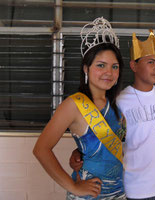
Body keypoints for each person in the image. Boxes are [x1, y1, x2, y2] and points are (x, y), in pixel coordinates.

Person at [70, 30, 155, 200]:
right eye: (151, 62)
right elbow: (101, 135)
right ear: (134, 66)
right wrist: (78, 151)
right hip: (129, 185)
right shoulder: (120, 100)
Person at [33, 17, 127, 200]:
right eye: (101, 65)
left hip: (120, 191)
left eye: (114, 67)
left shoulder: (116, 103)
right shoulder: (74, 105)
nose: (109, 72)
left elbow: (111, 145)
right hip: (90, 195)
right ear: (86, 68)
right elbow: (41, 149)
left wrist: (81, 152)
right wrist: (74, 187)